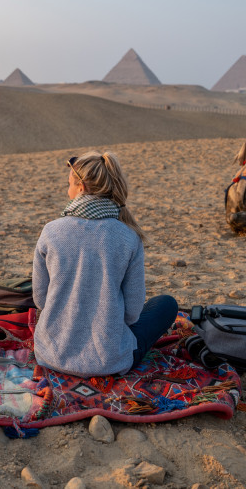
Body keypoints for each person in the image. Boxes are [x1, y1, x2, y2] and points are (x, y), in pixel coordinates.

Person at [32, 151, 178, 377]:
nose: (67, 190)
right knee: (166, 304)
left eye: (68, 184)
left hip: (51, 355)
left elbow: (40, 300)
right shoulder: (129, 237)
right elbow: (132, 314)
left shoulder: (51, 231)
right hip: (108, 361)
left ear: (81, 187)